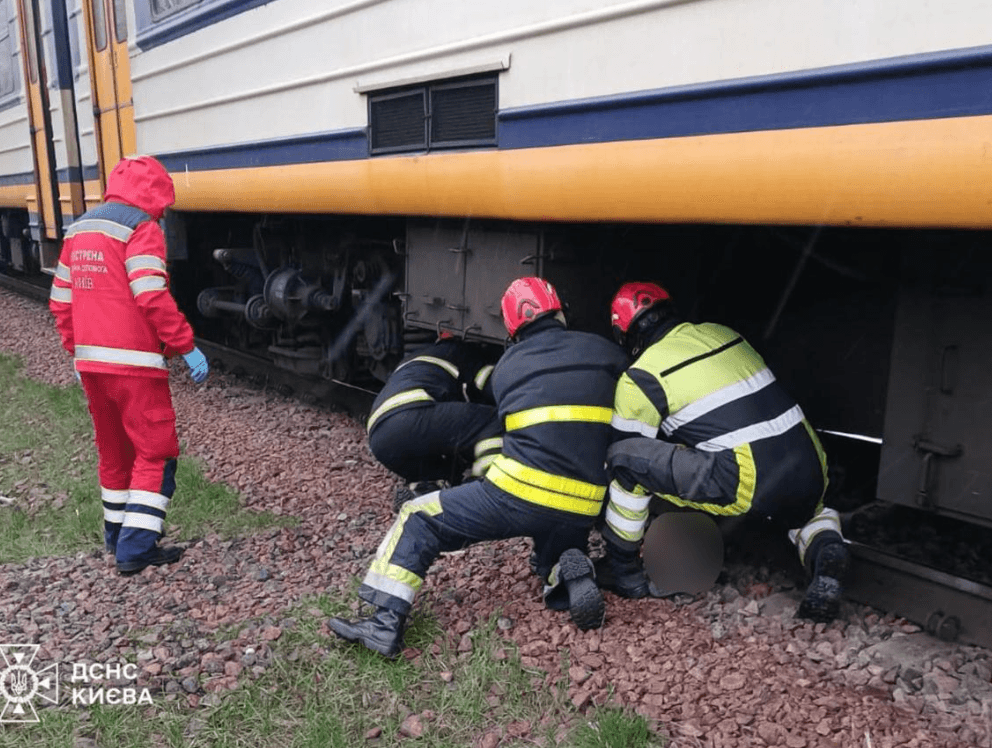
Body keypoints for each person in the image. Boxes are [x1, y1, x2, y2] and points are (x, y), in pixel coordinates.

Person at [328, 277, 628, 657]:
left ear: (512, 328)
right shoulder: (605, 351)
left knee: (418, 516)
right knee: (551, 547)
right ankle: (568, 574)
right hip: (583, 505)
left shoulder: (508, 366)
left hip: (518, 494)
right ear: (560, 312)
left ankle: (383, 624)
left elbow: (500, 417)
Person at [595, 282, 850, 622]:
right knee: (805, 512)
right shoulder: (722, 332)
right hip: (809, 461)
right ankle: (827, 550)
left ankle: (622, 570)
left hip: (747, 476)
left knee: (626, 462)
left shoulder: (641, 376)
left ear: (624, 333)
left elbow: (628, 450)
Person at [49, 155, 209, 577]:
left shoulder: (80, 229)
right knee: (156, 451)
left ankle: (115, 534)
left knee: (114, 451)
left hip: (91, 365)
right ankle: (136, 549)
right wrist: (185, 345)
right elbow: (150, 294)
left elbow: (60, 302)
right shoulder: (142, 229)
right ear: (157, 195)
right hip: (136, 365)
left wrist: (77, 350)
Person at [366, 332, 502, 507]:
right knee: (491, 422)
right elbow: (492, 386)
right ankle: (482, 490)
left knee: (445, 471)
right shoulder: (463, 352)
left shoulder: (414, 358)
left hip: (379, 438)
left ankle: (422, 492)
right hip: (412, 415)